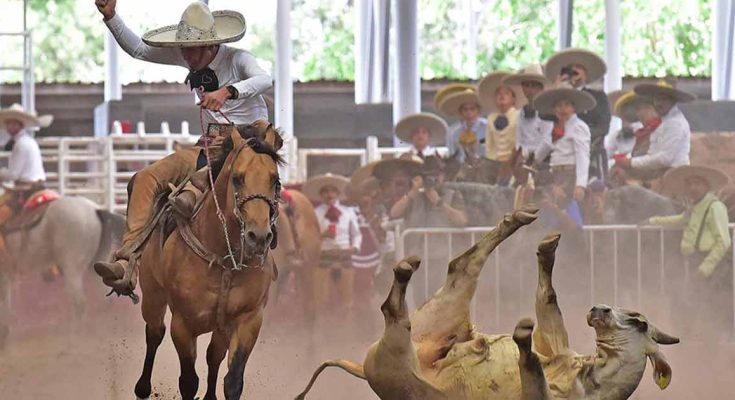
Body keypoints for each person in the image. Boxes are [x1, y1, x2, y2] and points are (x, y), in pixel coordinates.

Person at [93, 1, 274, 297]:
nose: (186, 55)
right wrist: (111, 17)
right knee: (145, 178)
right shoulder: (187, 57)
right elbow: (139, 49)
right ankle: (127, 262)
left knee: (248, 187)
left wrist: (227, 91)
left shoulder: (239, 59)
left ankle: (262, 238)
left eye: (193, 49)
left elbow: (265, 78)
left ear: (211, 45)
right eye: (185, 49)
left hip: (250, 144)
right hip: (210, 144)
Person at [645, 166, 731, 340]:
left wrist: (705, 269)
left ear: (706, 186)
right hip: (696, 261)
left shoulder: (715, 207)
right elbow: (681, 220)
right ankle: (692, 339)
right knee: (688, 301)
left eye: (697, 183)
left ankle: (716, 342)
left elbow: (724, 242)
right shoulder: (695, 207)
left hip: (713, 264)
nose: (693, 187)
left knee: (712, 305)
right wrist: (652, 221)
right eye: (690, 184)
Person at [389, 156, 467, 305]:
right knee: (421, 301)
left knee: (442, 301)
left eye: (436, 174)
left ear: (442, 175)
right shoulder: (414, 197)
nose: (433, 179)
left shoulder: (453, 195)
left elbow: (461, 220)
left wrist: (438, 202)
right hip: (418, 259)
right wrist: (412, 191)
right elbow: (394, 213)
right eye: (428, 176)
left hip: (442, 258)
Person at [545, 48, 611, 182]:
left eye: (579, 68)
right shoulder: (559, 101)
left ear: (586, 73)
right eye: (570, 69)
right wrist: (556, 90)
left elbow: (603, 127)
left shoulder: (598, 97)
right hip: (562, 159)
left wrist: (577, 135)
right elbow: (543, 114)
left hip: (591, 153)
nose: (574, 72)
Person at [615, 80, 694, 188]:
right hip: (656, 174)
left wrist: (630, 163)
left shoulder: (675, 123)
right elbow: (653, 155)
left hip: (672, 177)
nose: (659, 103)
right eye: (656, 99)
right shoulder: (664, 122)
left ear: (673, 101)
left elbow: (664, 159)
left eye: (663, 99)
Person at [303, 173, 362, 316]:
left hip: (344, 257)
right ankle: (321, 334)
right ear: (321, 194)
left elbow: (356, 234)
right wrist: (322, 236)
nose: (329, 194)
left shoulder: (348, 212)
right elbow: (308, 238)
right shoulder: (315, 213)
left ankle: (347, 332)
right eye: (325, 191)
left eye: (332, 191)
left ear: (337, 193)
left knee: (347, 302)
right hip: (323, 257)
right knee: (320, 301)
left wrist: (354, 248)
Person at [0, 104, 53, 248]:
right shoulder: (28, 141)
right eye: (8, 123)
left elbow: (14, 174)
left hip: (25, 189)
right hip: (37, 185)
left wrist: (1, 173)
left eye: (11, 123)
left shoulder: (21, 144)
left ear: (19, 124)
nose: (8, 126)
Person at [533, 83, 596, 203]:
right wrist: (532, 161)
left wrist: (580, 184)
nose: (563, 109)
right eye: (559, 105)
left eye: (567, 105)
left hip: (570, 176)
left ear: (574, 108)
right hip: (554, 175)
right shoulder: (554, 128)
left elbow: (582, 156)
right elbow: (545, 146)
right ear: (554, 109)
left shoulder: (579, 127)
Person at [609, 92, 664, 187]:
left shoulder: (664, 130)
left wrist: (628, 163)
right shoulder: (642, 132)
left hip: (657, 182)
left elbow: (660, 161)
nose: (642, 113)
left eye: (646, 108)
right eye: (638, 109)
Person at [478, 71, 523, 185]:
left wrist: (511, 162)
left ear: (514, 98)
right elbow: (489, 145)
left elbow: (521, 142)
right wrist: (491, 165)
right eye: (498, 93)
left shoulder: (519, 115)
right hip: (494, 164)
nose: (502, 95)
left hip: (515, 164)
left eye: (506, 93)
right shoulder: (491, 118)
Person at [503, 64, 553, 160]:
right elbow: (518, 139)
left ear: (540, 88)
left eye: (533, 86)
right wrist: (519, 155)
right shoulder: (521, 112)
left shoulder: (547, 111)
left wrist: (533, 158)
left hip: (543, 160)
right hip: (522, 159)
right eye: (526, 85)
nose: (530, 90)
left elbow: (547, 141)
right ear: (522, 88)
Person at [435, 84, 487, 163]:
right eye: (465, 110)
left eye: (472, 109)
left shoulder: (487, 127)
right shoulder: (453, 131)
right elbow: (451, 153)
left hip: (484, 168)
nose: (469, 112)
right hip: (460, 169)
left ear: (478, 111)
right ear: (460, 112)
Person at [604, 90, 638, 169]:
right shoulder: (616, 135)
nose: (625, 123)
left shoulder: (641, 131)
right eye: (623, 119)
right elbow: (607, 154)